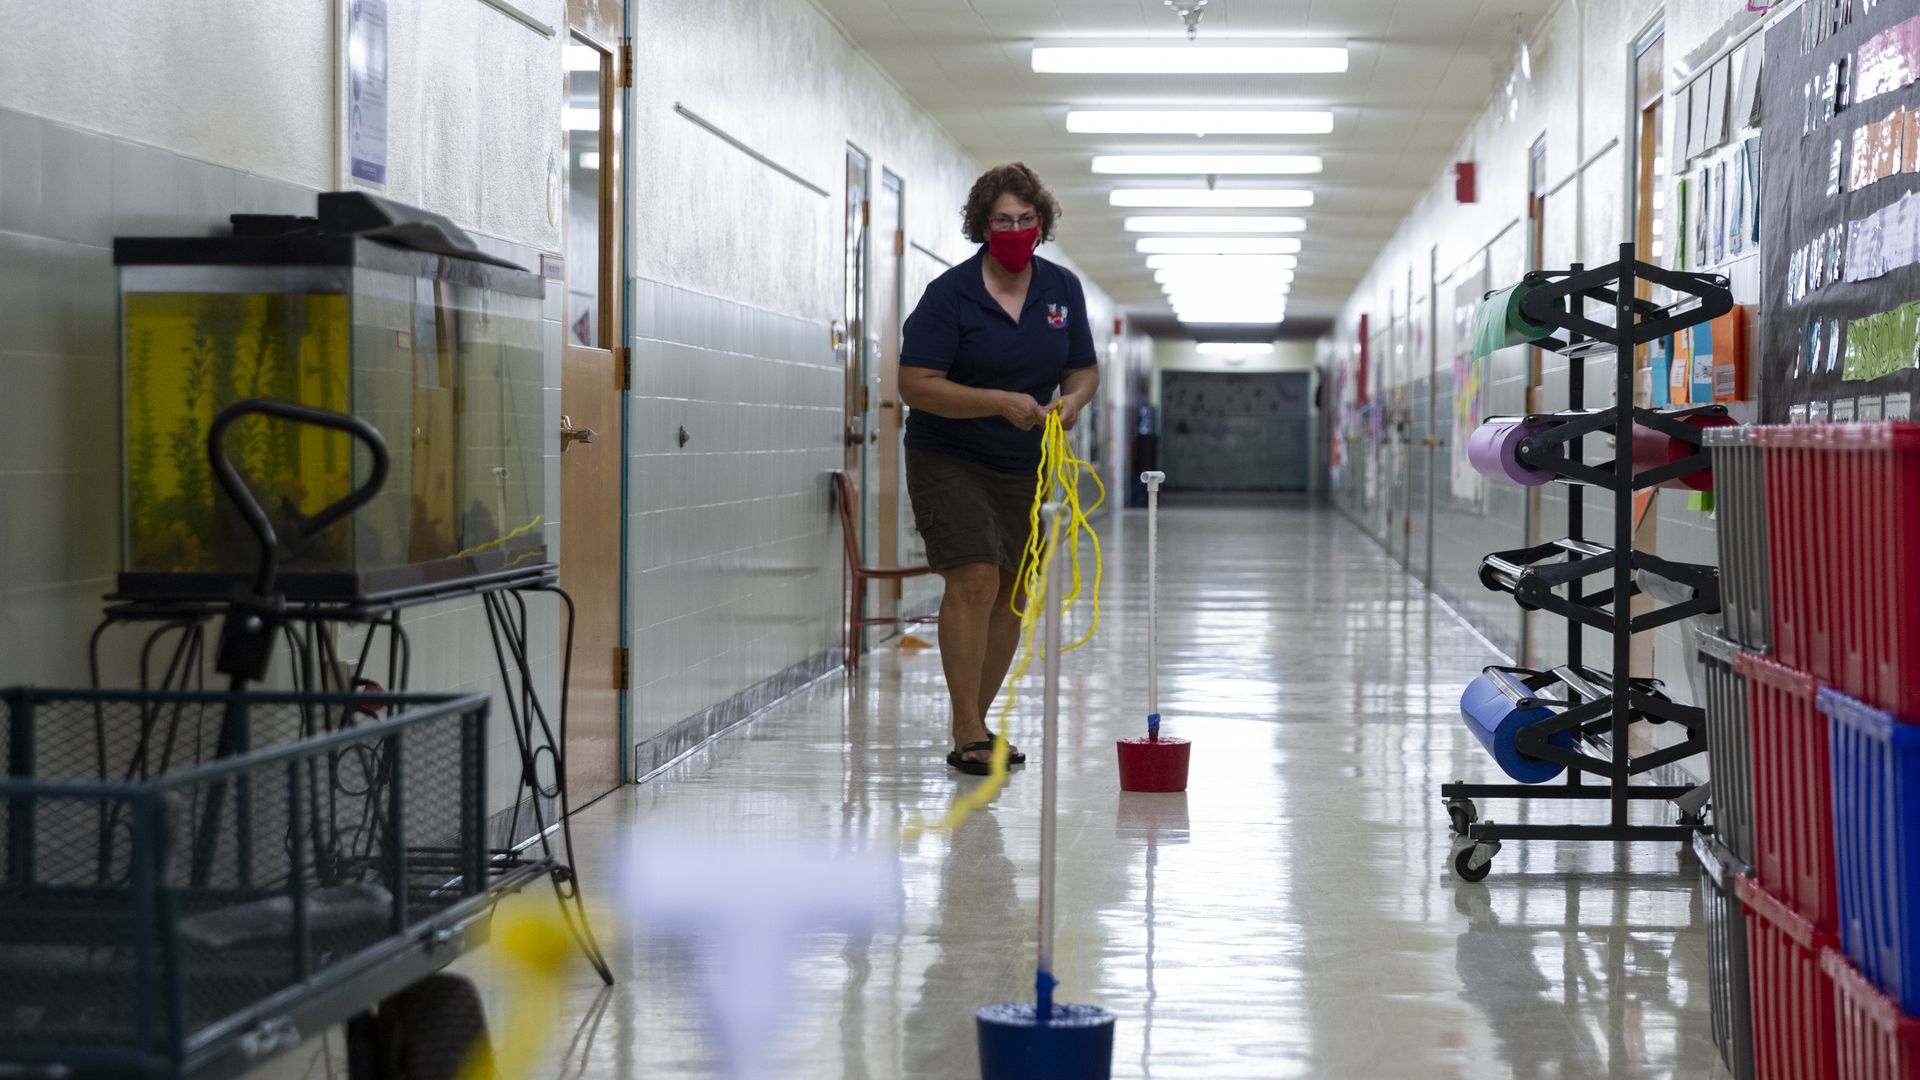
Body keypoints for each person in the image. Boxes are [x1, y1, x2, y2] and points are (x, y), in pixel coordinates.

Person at [897, 163, 1100, 775]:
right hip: (950, 455)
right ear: (983, 227)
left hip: (1027, 462)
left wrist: (1072, 402)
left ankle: (975, 723)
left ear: (1042, 223)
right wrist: (996, 402)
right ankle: (965, 731)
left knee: (1012, 590)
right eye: (1003, 221)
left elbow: (1083, 369)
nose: (1016, 230)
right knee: (975, 577)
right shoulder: (950, 295)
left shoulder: (1061, 290)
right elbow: (915, 384)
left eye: (1026, 219)